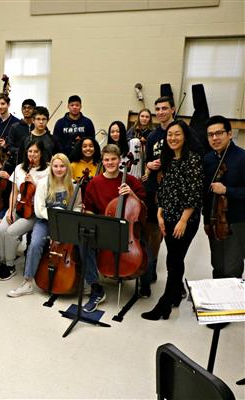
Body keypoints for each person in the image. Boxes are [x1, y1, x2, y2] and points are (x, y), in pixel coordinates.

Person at [142, 120, 203, 320]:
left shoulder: (192, 159)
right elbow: (165, 189)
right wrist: (160, 213)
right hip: (167, 216)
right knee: (174, 259)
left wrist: (184, 220)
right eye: (169, 135)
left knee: (174, 260)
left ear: (185, 136)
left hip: (184, 220)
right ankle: (175, 295)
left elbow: (194, 193)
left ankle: (164, 305)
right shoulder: (168, 159)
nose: (173, 138)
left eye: (177, 134)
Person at [7, 153, 82, 297]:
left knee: (75, 245)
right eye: (55, 166)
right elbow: (39, 209)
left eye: (62, 166)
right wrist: (55, 216)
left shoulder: (73, 185)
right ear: (51, 167)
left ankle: (80, 280)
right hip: (45, 220)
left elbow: (77, 207)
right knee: (35, 244)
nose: (59, 169)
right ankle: (27, 282)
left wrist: (67, 217)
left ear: (67, 168)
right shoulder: (43, 183)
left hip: (66, 223)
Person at [82, 144, 146, 312]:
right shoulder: (94, 183)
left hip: (127, 230)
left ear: (120, 160)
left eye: (113, 159)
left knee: (146, 250)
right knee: (84, 242)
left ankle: (145, 280)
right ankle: (95, 286)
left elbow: (143, 208)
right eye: (106, 159)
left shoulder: (130, 180)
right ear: (102, 161)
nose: (110, 162)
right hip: (103, 228)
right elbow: (88, 208)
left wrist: (132, 194)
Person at [0, 139, 50, 280]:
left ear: (42, 153)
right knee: (1, 230)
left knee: (11, 232)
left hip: (33, 212)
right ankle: (3, 262)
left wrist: (34, 184)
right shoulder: (19, 168)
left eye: (36, 152)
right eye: (30, 151)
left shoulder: (48, 170)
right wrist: (9, 211)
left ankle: (10, 265)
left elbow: (47, 195)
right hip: (19, 206)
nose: (32, 155)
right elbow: (14, 191)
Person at [202, 115, 245, 279]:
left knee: (231, 269)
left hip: (237, 222)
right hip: (215, 221)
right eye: (210, 134)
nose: (214, 138)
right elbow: (206, 196)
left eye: (219, 133)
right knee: (218, 266)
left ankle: (231, 304)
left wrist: (227, 190)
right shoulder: (208, 160)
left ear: (229, 133)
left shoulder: (242, 158)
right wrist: (206, 221)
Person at [141, 96, 175, 297]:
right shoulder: (153, 135)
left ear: (172, 109)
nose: (161, 112)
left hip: (171, 191)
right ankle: (148, 272)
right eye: (158, 109)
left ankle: (173, 281)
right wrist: (148, 165)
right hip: (153, 189)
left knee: (166, 235)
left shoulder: (179, 133)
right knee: (150, 233)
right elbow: (147, 159)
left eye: (164, 108)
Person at [7, 98, 36, 163]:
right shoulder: (14, 127)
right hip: (19, 161)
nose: (26, 110)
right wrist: (22, 151)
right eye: (24, 108)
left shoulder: (38, 126)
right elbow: (10, 146)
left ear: (34, 110)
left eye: (30, 108)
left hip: (37, 161)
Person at [126, 110, 153, 179]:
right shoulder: (132, 130)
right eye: (142, 116)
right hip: (133, 159)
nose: (144, 118)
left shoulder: (152, 132)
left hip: (145, 159)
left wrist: (146, 142)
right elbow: (126, 141)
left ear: (150, 119)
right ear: (139, 117)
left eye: (147, 117)